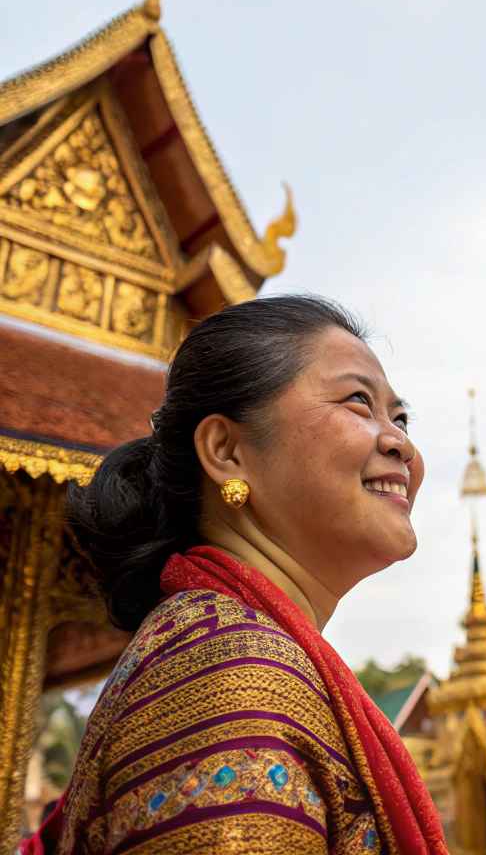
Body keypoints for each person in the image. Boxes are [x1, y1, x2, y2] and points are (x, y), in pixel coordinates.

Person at [22, 295, 447, 854]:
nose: (401, 443)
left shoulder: (223, 644)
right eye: (358, 403)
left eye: (400, 416)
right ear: (226, 450)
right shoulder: (238, 673)